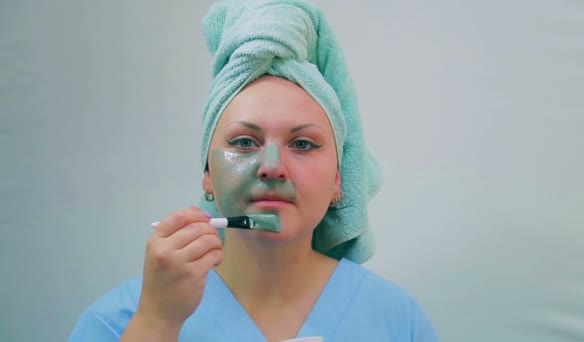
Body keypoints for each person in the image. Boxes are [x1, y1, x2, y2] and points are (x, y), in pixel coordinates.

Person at [69, 0, 438, 341]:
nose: (273, 168)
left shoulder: (397, 321)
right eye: (244, 143)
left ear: (339, 181)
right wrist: (157, 322)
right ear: (208, 174)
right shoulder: (116, 322)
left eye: (304, 144)